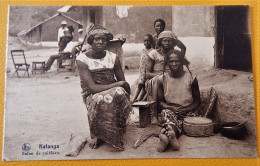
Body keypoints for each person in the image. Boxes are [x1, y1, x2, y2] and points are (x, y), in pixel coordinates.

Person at [76, 26, 132, 151]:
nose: (101, 42)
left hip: (111, 90)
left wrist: (121, 87)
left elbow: (122, 81)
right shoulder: (82, 59)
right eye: (97, 39)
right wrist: (117, 85)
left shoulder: (113, 57)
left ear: (107, 42)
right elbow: (93, 88)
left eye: (104, 39)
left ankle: (117, 129)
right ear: (90, 41)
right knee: (103, 97)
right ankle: (97, 133)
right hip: (92, 93)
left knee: (118, 93)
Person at [156, 50, 201, 152]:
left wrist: (186, 109)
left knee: (184, 122)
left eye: (177, 61)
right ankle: (171, 136)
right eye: (171, 61)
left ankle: (167, 137)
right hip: (170, 110)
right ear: (167, 63)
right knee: (167, 114)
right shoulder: (161, 79)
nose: (174, 64)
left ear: (182, 61)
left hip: (188, 110)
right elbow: (161, 103)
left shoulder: (191, 78)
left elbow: (198, 102)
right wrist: (172, 108)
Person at [145, 31, 184, 125]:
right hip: (155, 78)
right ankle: (154, 115)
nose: (167, 43)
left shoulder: (175, 54)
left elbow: (183, 48)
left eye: (170, 41)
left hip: (170, 77)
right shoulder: (153, 53)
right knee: (157, 81)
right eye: (165, 41)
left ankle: (179, 111)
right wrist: (161, 76)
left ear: (174, 43)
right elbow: (147, 74)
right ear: (160, 42)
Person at [132, 34, 154, 102]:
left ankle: (139, 100)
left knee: (145, 87)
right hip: (142, 71)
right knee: (140, 85)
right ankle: (134, 99)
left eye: (148, 41)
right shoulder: (143, 50)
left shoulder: (153, 51)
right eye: (145, 41)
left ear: (151, 41)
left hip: (148, 71)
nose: (147, 42)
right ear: (143, 42)